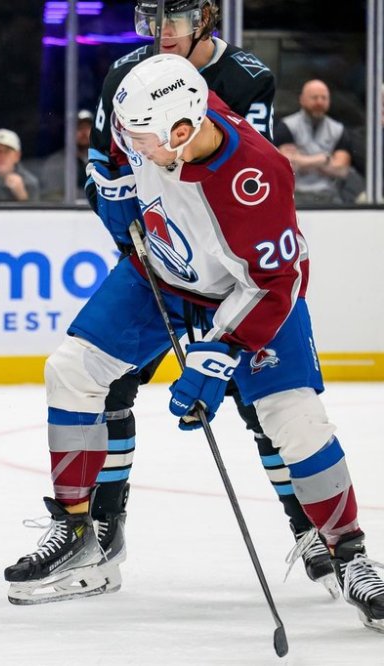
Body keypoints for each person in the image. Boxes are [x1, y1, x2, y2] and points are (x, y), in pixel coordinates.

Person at [6, 54, 384, 632]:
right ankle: (78, 527)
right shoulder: (160, 125)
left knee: (295, 418)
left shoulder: (259, 177)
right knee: (71, 369)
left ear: (184, 130)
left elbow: (277, 281)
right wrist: (109, 188)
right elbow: (117, 162)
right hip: (161, 273)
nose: (134, 150)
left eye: (143, 142)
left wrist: (220, 352)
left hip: (249, 295)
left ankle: (350, 555)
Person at [80, 0, 333, 600]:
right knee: (108, 384)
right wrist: (126, 227)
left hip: (231, 276)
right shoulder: (126, 74)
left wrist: (215, 332)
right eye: (151, 18)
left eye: (175, 17)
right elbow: (100, 163)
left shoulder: (247, 79)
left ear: (206, 18)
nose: (160, 32)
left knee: (259, 400)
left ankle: (313, 531)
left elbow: (248, 186)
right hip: (159, 262)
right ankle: (101, 530)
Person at [274, 80, 354, 205]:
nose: (319, 102)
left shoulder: (338, 129)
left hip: (330, 197)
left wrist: (301, 159)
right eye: (314, 97)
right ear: (302, 99)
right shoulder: (287, 126)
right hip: (295, 195)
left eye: (324, 98)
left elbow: (342, 170)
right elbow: (289, 165)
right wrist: (324, 159)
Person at [41, 109, 94, 202]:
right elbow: (51, 197)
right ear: (69, 133)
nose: (84, 132)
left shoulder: (106, 160)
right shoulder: (55, 163)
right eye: (79, 128)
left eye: (88, 128)